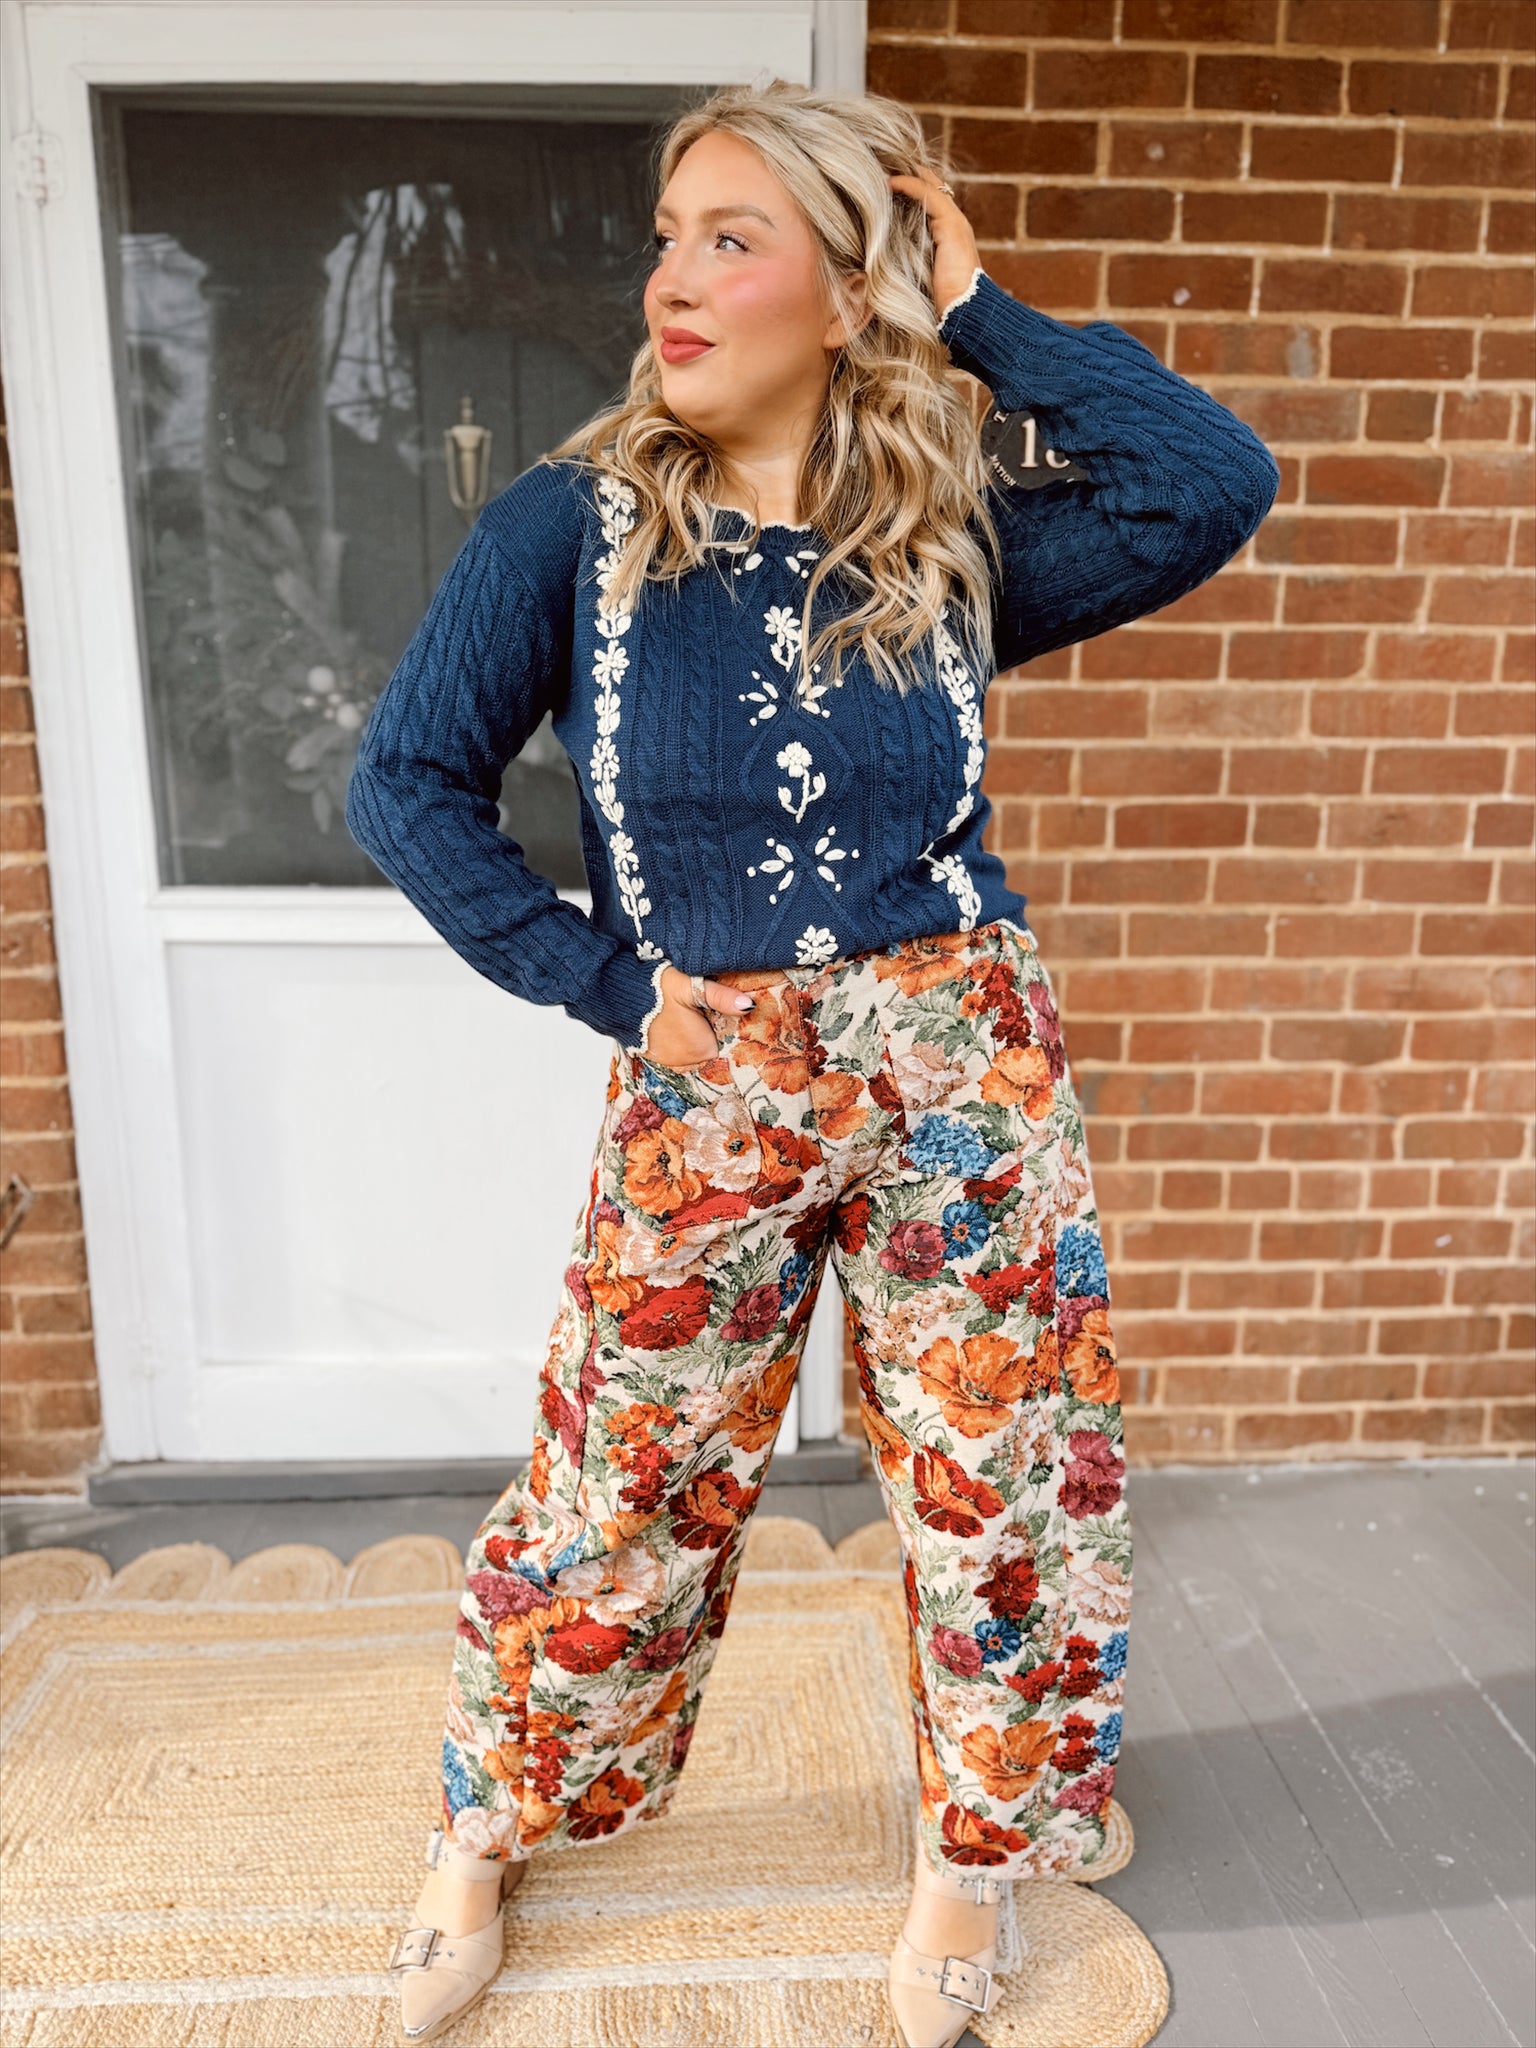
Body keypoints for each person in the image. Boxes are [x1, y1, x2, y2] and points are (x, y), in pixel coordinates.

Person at [345, 74, 1279, 2048]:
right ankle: (481, 1831)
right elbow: (407, 782)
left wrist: (981, 308)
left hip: (964, 1063)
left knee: (1000, 1479)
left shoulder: (948, 537)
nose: (672, 281)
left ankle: (970, 1864)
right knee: (621, 1476)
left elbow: (1206, 480)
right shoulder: (571, 532)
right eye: (668, 239)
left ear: (852, 291)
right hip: (713, 1071)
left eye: (732, 238)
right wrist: (602, 984)